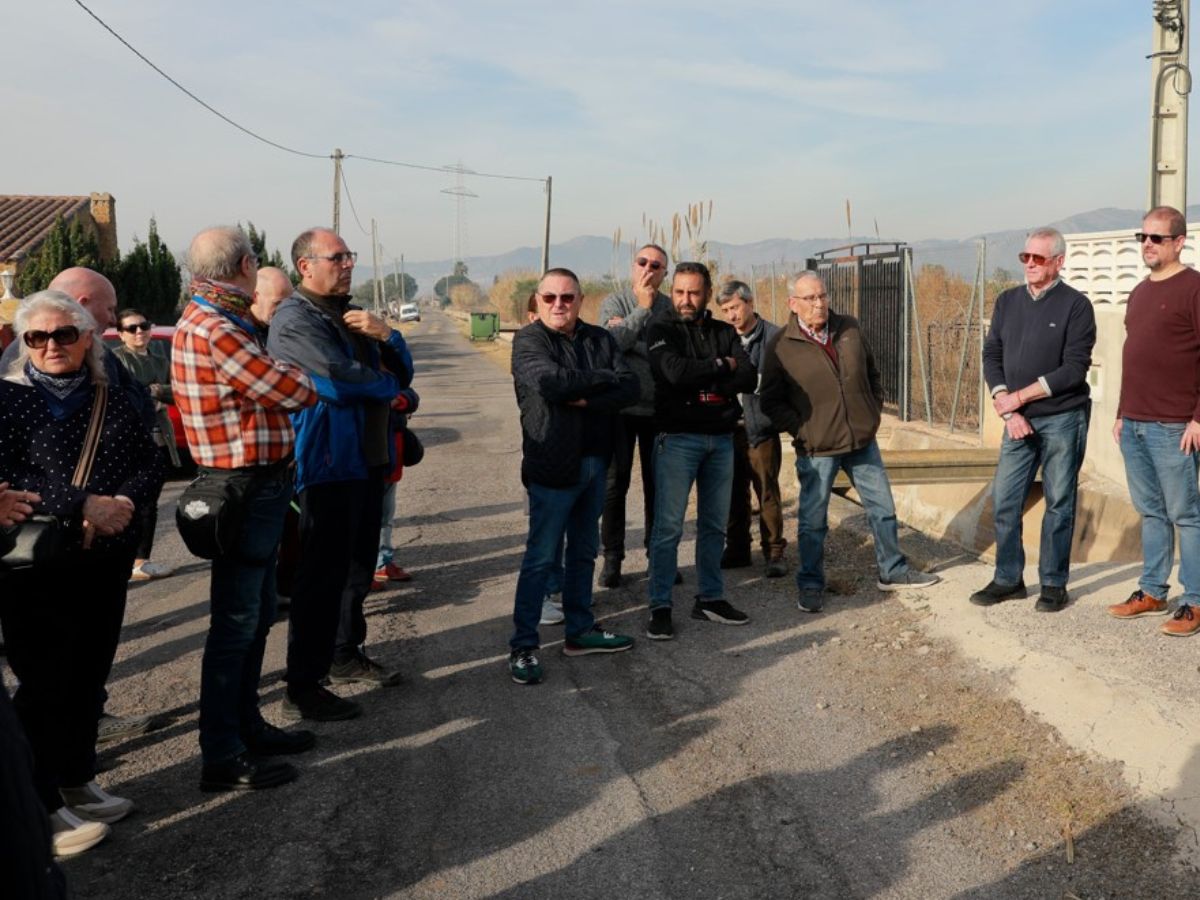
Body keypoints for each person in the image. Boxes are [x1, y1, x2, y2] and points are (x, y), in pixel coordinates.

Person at [0, 290, 162, 854]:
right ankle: (36, 809)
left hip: (102, 560)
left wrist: (123, 503)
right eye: (37, 338)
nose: (50, 346)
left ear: (88, 338)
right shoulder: (5, 401)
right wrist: (82, 504)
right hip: (35, 568)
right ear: (23, 344)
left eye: (64, 335)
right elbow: (11, 480)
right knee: (44, 683)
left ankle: (75, 780)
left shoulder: (112, 397)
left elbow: (149, 461)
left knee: (88, 676)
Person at [172, 226, 320, 791]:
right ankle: (222, 753)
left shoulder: (218, 319)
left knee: (255, 617)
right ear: (244, 265)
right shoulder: (217, 328)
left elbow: (272, 386)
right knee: (236, 624)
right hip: (242, 487)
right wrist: (298, 375)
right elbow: (295, 390)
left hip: (253, 485)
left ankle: (247, 727)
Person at [268, 227, 415, 716]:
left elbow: (402, 374)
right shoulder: (293, 319)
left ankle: (344, 655)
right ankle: (301, 688)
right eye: (337, 257)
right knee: (319, 578)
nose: (348, 263)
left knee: (356, 570)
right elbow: (334, 381)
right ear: (305, 266)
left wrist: (388, 335)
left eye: (349, 255)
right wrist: (388, 385)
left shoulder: (355, 315)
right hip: (327, 461)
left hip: (368, 460)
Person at [760, 271, 940, 613]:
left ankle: (893, 571)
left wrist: (871, 412)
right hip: (819, 449)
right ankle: (811, 583)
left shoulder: (850, 328)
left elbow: (872, 373)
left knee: (883, 510)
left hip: (861, 441)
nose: (819, 304)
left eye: (822, 296)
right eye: (810, 298)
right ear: (793, 303)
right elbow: (770, 401)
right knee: (813, 521)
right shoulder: (782, 346)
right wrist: (804, 430)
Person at [507, 267, 639, 684]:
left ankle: (580, 631)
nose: (559, 305)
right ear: (538, 300)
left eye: (568, 298)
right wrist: (602, 381)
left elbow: (631, 388)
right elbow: (551, 383)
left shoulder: (600, 338)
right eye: (550, 298)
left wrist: (590, 391)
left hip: (596, 461)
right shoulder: (528, 341)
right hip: (552, 465)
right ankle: (524, 646)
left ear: (582, 300)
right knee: (542, 557)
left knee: (584, 552)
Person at [971, 228, 1096, 612]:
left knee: (1059, 501)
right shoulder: (1007, 301)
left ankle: (1054, 583)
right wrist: (1006, 407)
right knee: (1006, 500)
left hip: (1062, 419)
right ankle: (1009, 579)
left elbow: (1073, 369)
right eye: (1025, 257)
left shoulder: (1076, 306)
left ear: (1058, 261)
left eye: (1037, 259)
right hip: (1016, 421)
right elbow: (991, 353)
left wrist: (1021, 397)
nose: (1029, 264)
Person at [644, 262, 756, 640]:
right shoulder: (660, 330)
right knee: (668, 527)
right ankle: (660, 604)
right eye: (678, 292)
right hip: (677, 439)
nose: (685, 300)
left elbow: (748, 376)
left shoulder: (724, 331)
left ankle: (710, 598)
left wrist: (709, 372)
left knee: (713, 525)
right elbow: (673, 373)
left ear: (707, 293)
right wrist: (719, 366)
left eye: (693, 292)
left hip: (721, 439)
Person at [1107, 205, 1200, 637]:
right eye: (1142, 237)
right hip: (1137, 424)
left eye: (1156, 238)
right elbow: (1134, 357)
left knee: (1185, 514)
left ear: (1179, 242)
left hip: (1175, 427)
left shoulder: (1194, 288)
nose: (1147, 244)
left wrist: (1198, 419)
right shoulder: (1141, 291)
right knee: (1151, 512)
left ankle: (1195, 602)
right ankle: (1152, 591)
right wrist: (1123, 414)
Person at [597, 243, 673, 587]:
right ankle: (613, 559)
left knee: (658, 487)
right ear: (633, 267)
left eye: (656, 265)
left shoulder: (670, 308)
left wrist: (633, 342)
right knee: (615, 485)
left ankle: (656, 557)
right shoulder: (614, 302)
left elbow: (669, 358)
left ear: (663, 274)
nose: (648, 269)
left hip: (658, 410)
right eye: (642, 262)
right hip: (619, 411)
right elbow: (610, 344)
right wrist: (642, 311)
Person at [716, 281, 787, 577]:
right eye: (725, 310)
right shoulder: (723, 338)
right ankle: (737, 549)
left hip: (761, 429)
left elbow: (779, 385)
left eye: (734, 307)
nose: (731, 315)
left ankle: (774, 552)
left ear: (749, 302)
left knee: (766, 491)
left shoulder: (774, 338)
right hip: (730, 427)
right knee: (733, 493)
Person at [111, 308, 180, 581]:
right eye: (132, 328)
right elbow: (126, 396)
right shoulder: (116, 360)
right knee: (135, 501)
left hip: (160, 437)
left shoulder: (160, 360)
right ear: (121, 335)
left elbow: (179, 390)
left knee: (151, 501)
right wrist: (149, 392)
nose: (140, 331)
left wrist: (156, 391)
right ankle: (132, 560)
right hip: (131, 440)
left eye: (144, 325)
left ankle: (141, 559)